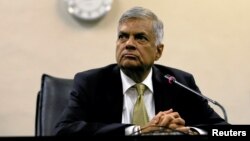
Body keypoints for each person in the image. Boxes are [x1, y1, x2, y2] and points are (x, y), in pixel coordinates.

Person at [54, 6, 229, 136]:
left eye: (140, 38)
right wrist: (137, 130)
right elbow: (64, 131)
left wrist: (189, 132)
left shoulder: (179, 82)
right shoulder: (91, 82)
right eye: (122, 36)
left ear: (158, 51)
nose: (128, 44)